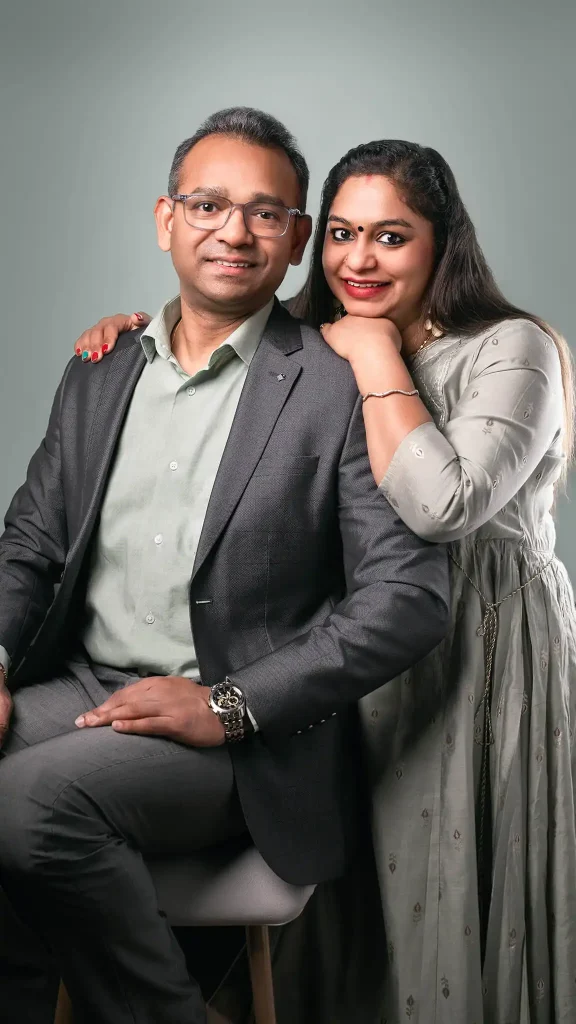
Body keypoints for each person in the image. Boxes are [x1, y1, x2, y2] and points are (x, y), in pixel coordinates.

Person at [80, 136, 576, 1023]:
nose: (359, 258)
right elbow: (206, 371)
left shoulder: (515, 350)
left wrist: (379, 357)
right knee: (357, 899)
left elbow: (441, 504)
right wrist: (135, 342)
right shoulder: (308, 348)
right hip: (351, 654)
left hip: (483, 659)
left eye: (392, 236)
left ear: (442, 242)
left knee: (456, 881)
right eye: (343, 232)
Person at [0, 109, 449, 1024]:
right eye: (208, 205)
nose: (233, 232)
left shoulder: (338, 380)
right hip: (85, 686)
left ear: (296, 244)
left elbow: (409, 599)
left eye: (266, 213)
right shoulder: (102, 366)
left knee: (29, 805)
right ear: (166, 220)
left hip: (242, 738)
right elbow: (32, 548)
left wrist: (228, 705)